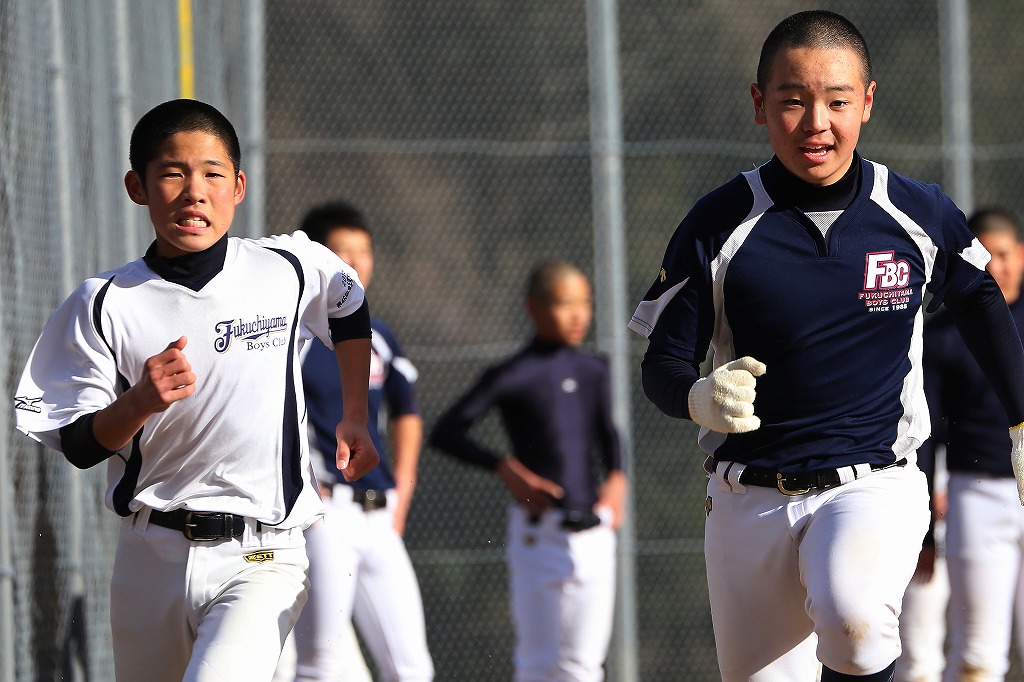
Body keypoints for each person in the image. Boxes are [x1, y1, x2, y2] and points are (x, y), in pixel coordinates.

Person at [628, 10, 1024, 682]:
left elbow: (982, 299)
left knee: (853, 619)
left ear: (866, 102)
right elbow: (662, 364)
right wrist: (696, 396)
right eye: (792, 100)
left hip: (872, 483)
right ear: (760, 104)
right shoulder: (719, 223)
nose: (817, 122)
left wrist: (1021, 422)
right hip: (744, 501)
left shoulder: (917, 211)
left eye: (837, 100)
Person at [12, 99, 379, 682]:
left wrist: (355, 413)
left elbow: (347, 302)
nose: (193, 191)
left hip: (263, 554)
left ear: (238, 186)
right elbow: (80, 445)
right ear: (137, 186)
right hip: (149, 556)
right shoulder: (104, 302)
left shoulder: (288, 265)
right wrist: (140, 400)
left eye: (211, 173)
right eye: (172, 173)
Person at [430, 261, 628, 682]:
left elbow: (608, 434)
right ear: (534, 309)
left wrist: (617, 480)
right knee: (538, 665)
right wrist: (505, 467)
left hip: (594, 533)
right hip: (540, 535)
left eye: (585, 303)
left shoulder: (594, 369)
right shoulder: (514, 374)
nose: (577, 314)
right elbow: (446, 431)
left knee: (583, 667)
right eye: (563, 303)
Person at [289, 200, 434, 682]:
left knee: (411, 666)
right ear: (315, 258)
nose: (354, 263)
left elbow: (407, 412)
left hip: (380, 512)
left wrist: (404, 491)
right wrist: (305, 485)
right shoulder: (294, 335)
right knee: (321, 665)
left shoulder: (380, 335)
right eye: (341, 251)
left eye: (363, 251)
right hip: (326, 514)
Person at [921, 207, 1024, 682]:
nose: (997, 267)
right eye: (987, 257)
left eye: (1005, 254)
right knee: (978, 653)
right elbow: (925, 433)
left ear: (1020, 255)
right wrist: (923, 524)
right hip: (976, 492)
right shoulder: (942, 333)